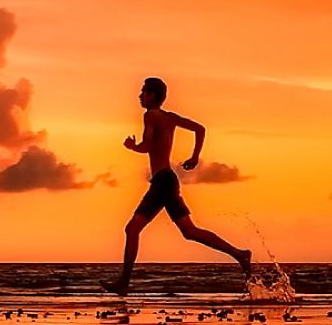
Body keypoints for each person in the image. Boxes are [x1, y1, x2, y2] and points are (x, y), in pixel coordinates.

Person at [102, 77, 251, 296]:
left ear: (153, 95)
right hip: (168, 180)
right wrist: (195, 157)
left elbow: (148, 145)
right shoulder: (170, 118)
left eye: (144, 92)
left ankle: (124, 283)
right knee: (189, 231)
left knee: (132, 229)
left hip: (163, 181)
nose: (140, 96)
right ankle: (239, 254)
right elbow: (200, 129)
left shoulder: (150, 116)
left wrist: (133, 147)